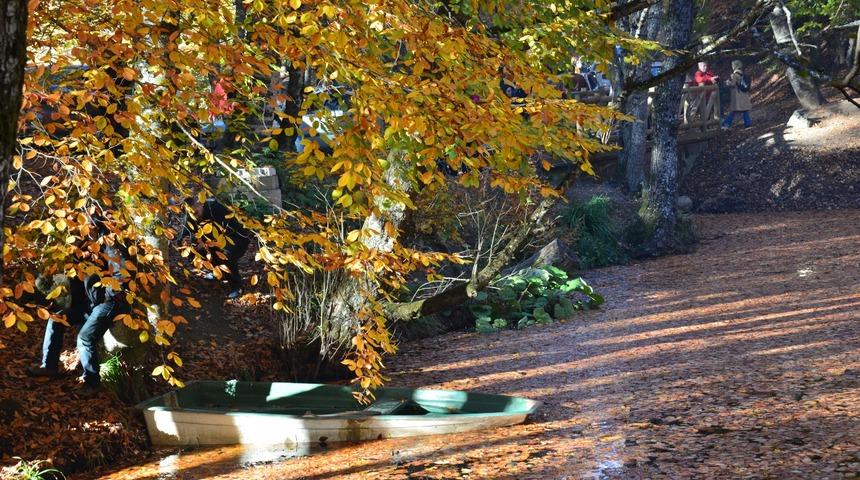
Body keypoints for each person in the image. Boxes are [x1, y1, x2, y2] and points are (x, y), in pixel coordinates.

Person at [27, 221, 131, 389]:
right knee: (56, 319)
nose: (81, 231)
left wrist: (107, 297)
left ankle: (91, 383)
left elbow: (121, 277)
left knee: (85, 338)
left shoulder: (110, 243)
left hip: (109, 302)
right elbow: (76, 276)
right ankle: (49, 366)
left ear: (95, 226)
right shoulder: (80, 244)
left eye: (86, 226)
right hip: (90, 302)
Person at [181, 197, 251, 299]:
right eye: (190, 213)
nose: (194, 216)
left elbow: (229, 231)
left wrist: (207, 242)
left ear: (201, 204)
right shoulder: (190, 215)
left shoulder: (216, 209)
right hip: (212, 241)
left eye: (196, 212)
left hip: (236, 239)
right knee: (192, 251)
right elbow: (184, 235)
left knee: (225, 253)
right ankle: (218, 273)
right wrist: (186, 241)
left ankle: (236, 286)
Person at [722, 60, 753, 130]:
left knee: (733, 110)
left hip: (737, 95)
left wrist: (728, 82)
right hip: (744, 94)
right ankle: (748, 124)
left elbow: (733, 84)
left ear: (734, 66)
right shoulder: (742, 73)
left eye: (732, 65)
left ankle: (726, 124)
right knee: (745, 109)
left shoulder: (735, 74)